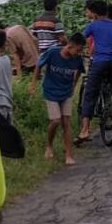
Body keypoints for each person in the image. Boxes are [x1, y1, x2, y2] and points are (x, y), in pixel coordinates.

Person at [77, 0, 112, 144]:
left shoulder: (93, 26)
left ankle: (84, 130)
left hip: (99, 62)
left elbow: (81, 39)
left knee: (90, 93)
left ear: (94, 13)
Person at [34, 32, 85, 165]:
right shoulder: (53, 53)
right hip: (51, 91)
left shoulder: (77, 59)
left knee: (66, 122)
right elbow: (39, 65)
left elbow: (80, 71)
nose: (79, 53)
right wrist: (34, 83)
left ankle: (68, 155)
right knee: (56, 120)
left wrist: (74, 85)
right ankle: (49, 145)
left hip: (66, 92)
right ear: (70, 46)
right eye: (78, 50)